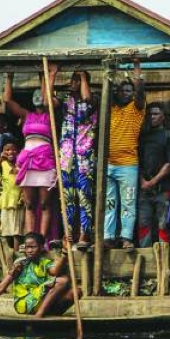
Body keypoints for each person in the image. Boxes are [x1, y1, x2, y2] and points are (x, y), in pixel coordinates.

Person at [0, 232, 73, 318]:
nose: (30, 250)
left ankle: (46, 313)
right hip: (24, 303)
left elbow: (54, 271)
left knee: (76, 292)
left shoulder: (44, 262)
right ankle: (39, 315)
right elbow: (0, 288)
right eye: (27, 247)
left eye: (33, 247)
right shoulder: (21, 264)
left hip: (40, 302)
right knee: (62, 280)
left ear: (41, 247)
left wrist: (65, 250)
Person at [3, 73, 56, 238]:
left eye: (41, 93)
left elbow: (47, 97)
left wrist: (46, 76)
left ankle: (41, 238)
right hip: (28, 161)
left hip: (45, 160)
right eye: (36, 95)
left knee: (44, 203)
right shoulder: (27, 115)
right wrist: (9, 78)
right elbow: (7, 100)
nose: (39, 97)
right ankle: (30, 237)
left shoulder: (51, 114)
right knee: (30, 204)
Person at [106, 61, 147, 250]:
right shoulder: (111, 108)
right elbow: (109, 88)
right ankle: (108, 237)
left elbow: (140, 92)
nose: (126, 93)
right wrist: (112, 72)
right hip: (108, 164)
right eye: (123, 90)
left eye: (129, 91)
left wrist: (136, 67)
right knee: (109, 202)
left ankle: (126, 237)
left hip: (128, 164)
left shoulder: (136, 109)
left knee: (128, 202)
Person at [56, 66, 96, 248]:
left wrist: (83, 77)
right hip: (66, 157)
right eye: (72, 80)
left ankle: (84, 235)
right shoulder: (66, 101)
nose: (72, 83)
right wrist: (51, 75)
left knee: (84, 196)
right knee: (68, 197)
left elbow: (87, 99)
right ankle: (68, 234)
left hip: (84, 156)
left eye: (76, 80)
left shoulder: (92, 100)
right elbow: (47, 99)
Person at [136, 102, 170, 248]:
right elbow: (136, 161)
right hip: (143, 188)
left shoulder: (169, 135)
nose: (152, 117)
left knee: (163, 224)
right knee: (143, 223)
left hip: (162, 188)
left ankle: (164, 256)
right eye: (150, 114)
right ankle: (145, 256)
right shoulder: (141, 136)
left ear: (163, 116)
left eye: (156, 114)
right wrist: (143, 181)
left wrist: (152, 182)